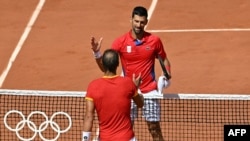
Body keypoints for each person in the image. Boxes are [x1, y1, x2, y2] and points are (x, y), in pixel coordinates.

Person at [90, 6, 171, 141]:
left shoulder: (154, 41)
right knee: (126, 127)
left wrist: (167, 74)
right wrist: (97, 54)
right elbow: (106, 68)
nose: (139, 25)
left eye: (142, 22)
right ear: (131, 20)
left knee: (154, 128)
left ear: (146, 22)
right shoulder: (120, 42)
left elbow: (164, 59)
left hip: (149, 91)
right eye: (136, 21)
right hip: (127, 91)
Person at [82, 49, 144, 141]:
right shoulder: (128, 83)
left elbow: (88, 117)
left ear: (102, 64)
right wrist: (135, 88)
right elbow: (140, 104)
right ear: (118, 64)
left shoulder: (93, 86)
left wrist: (85, 140)